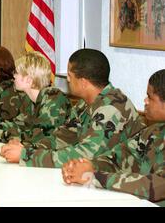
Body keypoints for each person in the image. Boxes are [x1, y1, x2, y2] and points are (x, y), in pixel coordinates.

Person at [0, 48, 145, 168]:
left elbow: (86, 154)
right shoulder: (85, 103)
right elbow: (63, 137)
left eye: (69, 75)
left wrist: (26, 156)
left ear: (83, 82)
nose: (67, 80)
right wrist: (25, 147)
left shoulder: (111, 109)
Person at [62, 69, 165, 202]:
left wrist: (95, 176)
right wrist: (87, 166)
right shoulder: (154, 132)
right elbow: (118, 158)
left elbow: (157, 186)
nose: (145, 101)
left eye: (150, 97)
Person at [0, 51, 70, 143]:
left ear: (28, 80)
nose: (14, 76)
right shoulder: (29, 99)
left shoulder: (53, 99)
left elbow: (37, 138)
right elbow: (18, 125)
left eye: (17, 73)